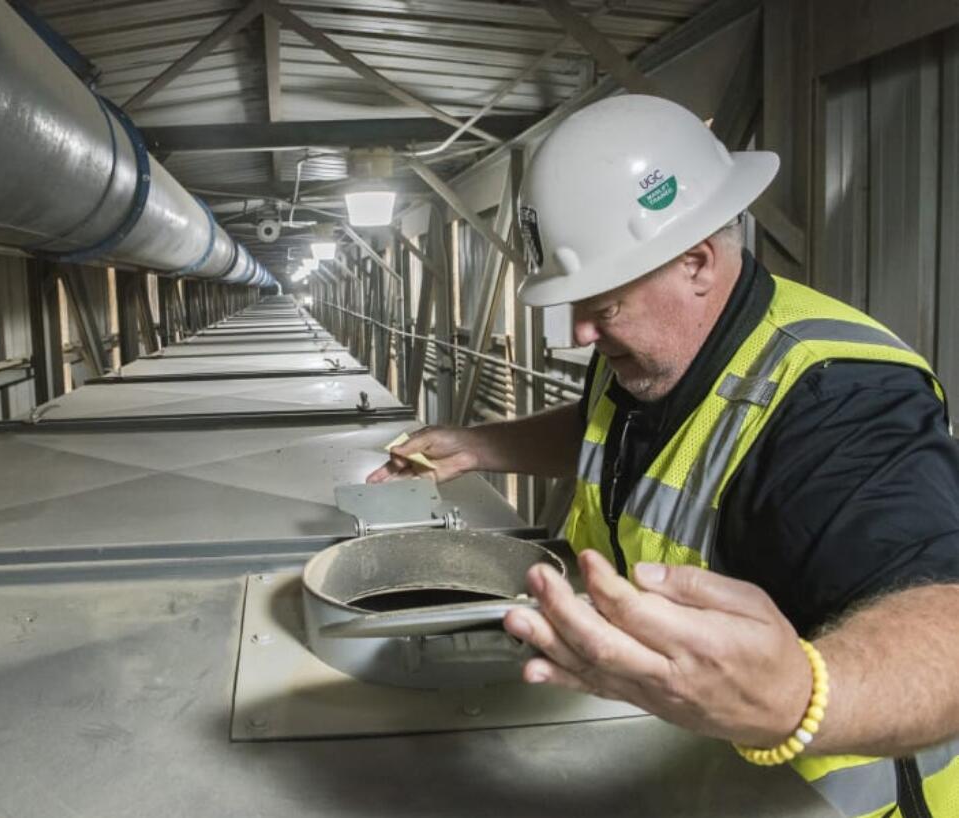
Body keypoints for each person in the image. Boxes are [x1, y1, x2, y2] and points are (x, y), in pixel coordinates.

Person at [369, 95, 959, 816]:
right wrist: (480, 446)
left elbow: (946, 626)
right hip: (669, 756)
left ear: (698, 263)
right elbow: (611, 430)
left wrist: (796, 697)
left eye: (603, 305)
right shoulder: (653, 353)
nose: (581, 333)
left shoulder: (834, 404)